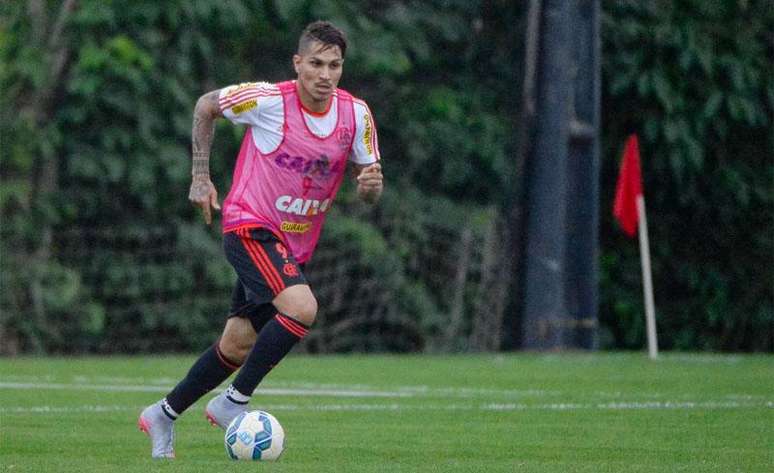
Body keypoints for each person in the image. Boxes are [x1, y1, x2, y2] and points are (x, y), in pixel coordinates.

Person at [138, 20, 383, 458]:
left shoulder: (357, 115)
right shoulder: (269, 99)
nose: (325, 74)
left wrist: (369, 189)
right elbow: (205, 105)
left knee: (236, 344)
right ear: (297, 63)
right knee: (302, 308)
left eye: (335, 65)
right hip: (250, 226)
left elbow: (371, 185)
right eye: (316, 64)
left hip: (292, 246)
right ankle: (233, 403)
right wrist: (199, 176)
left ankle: (164, 413)